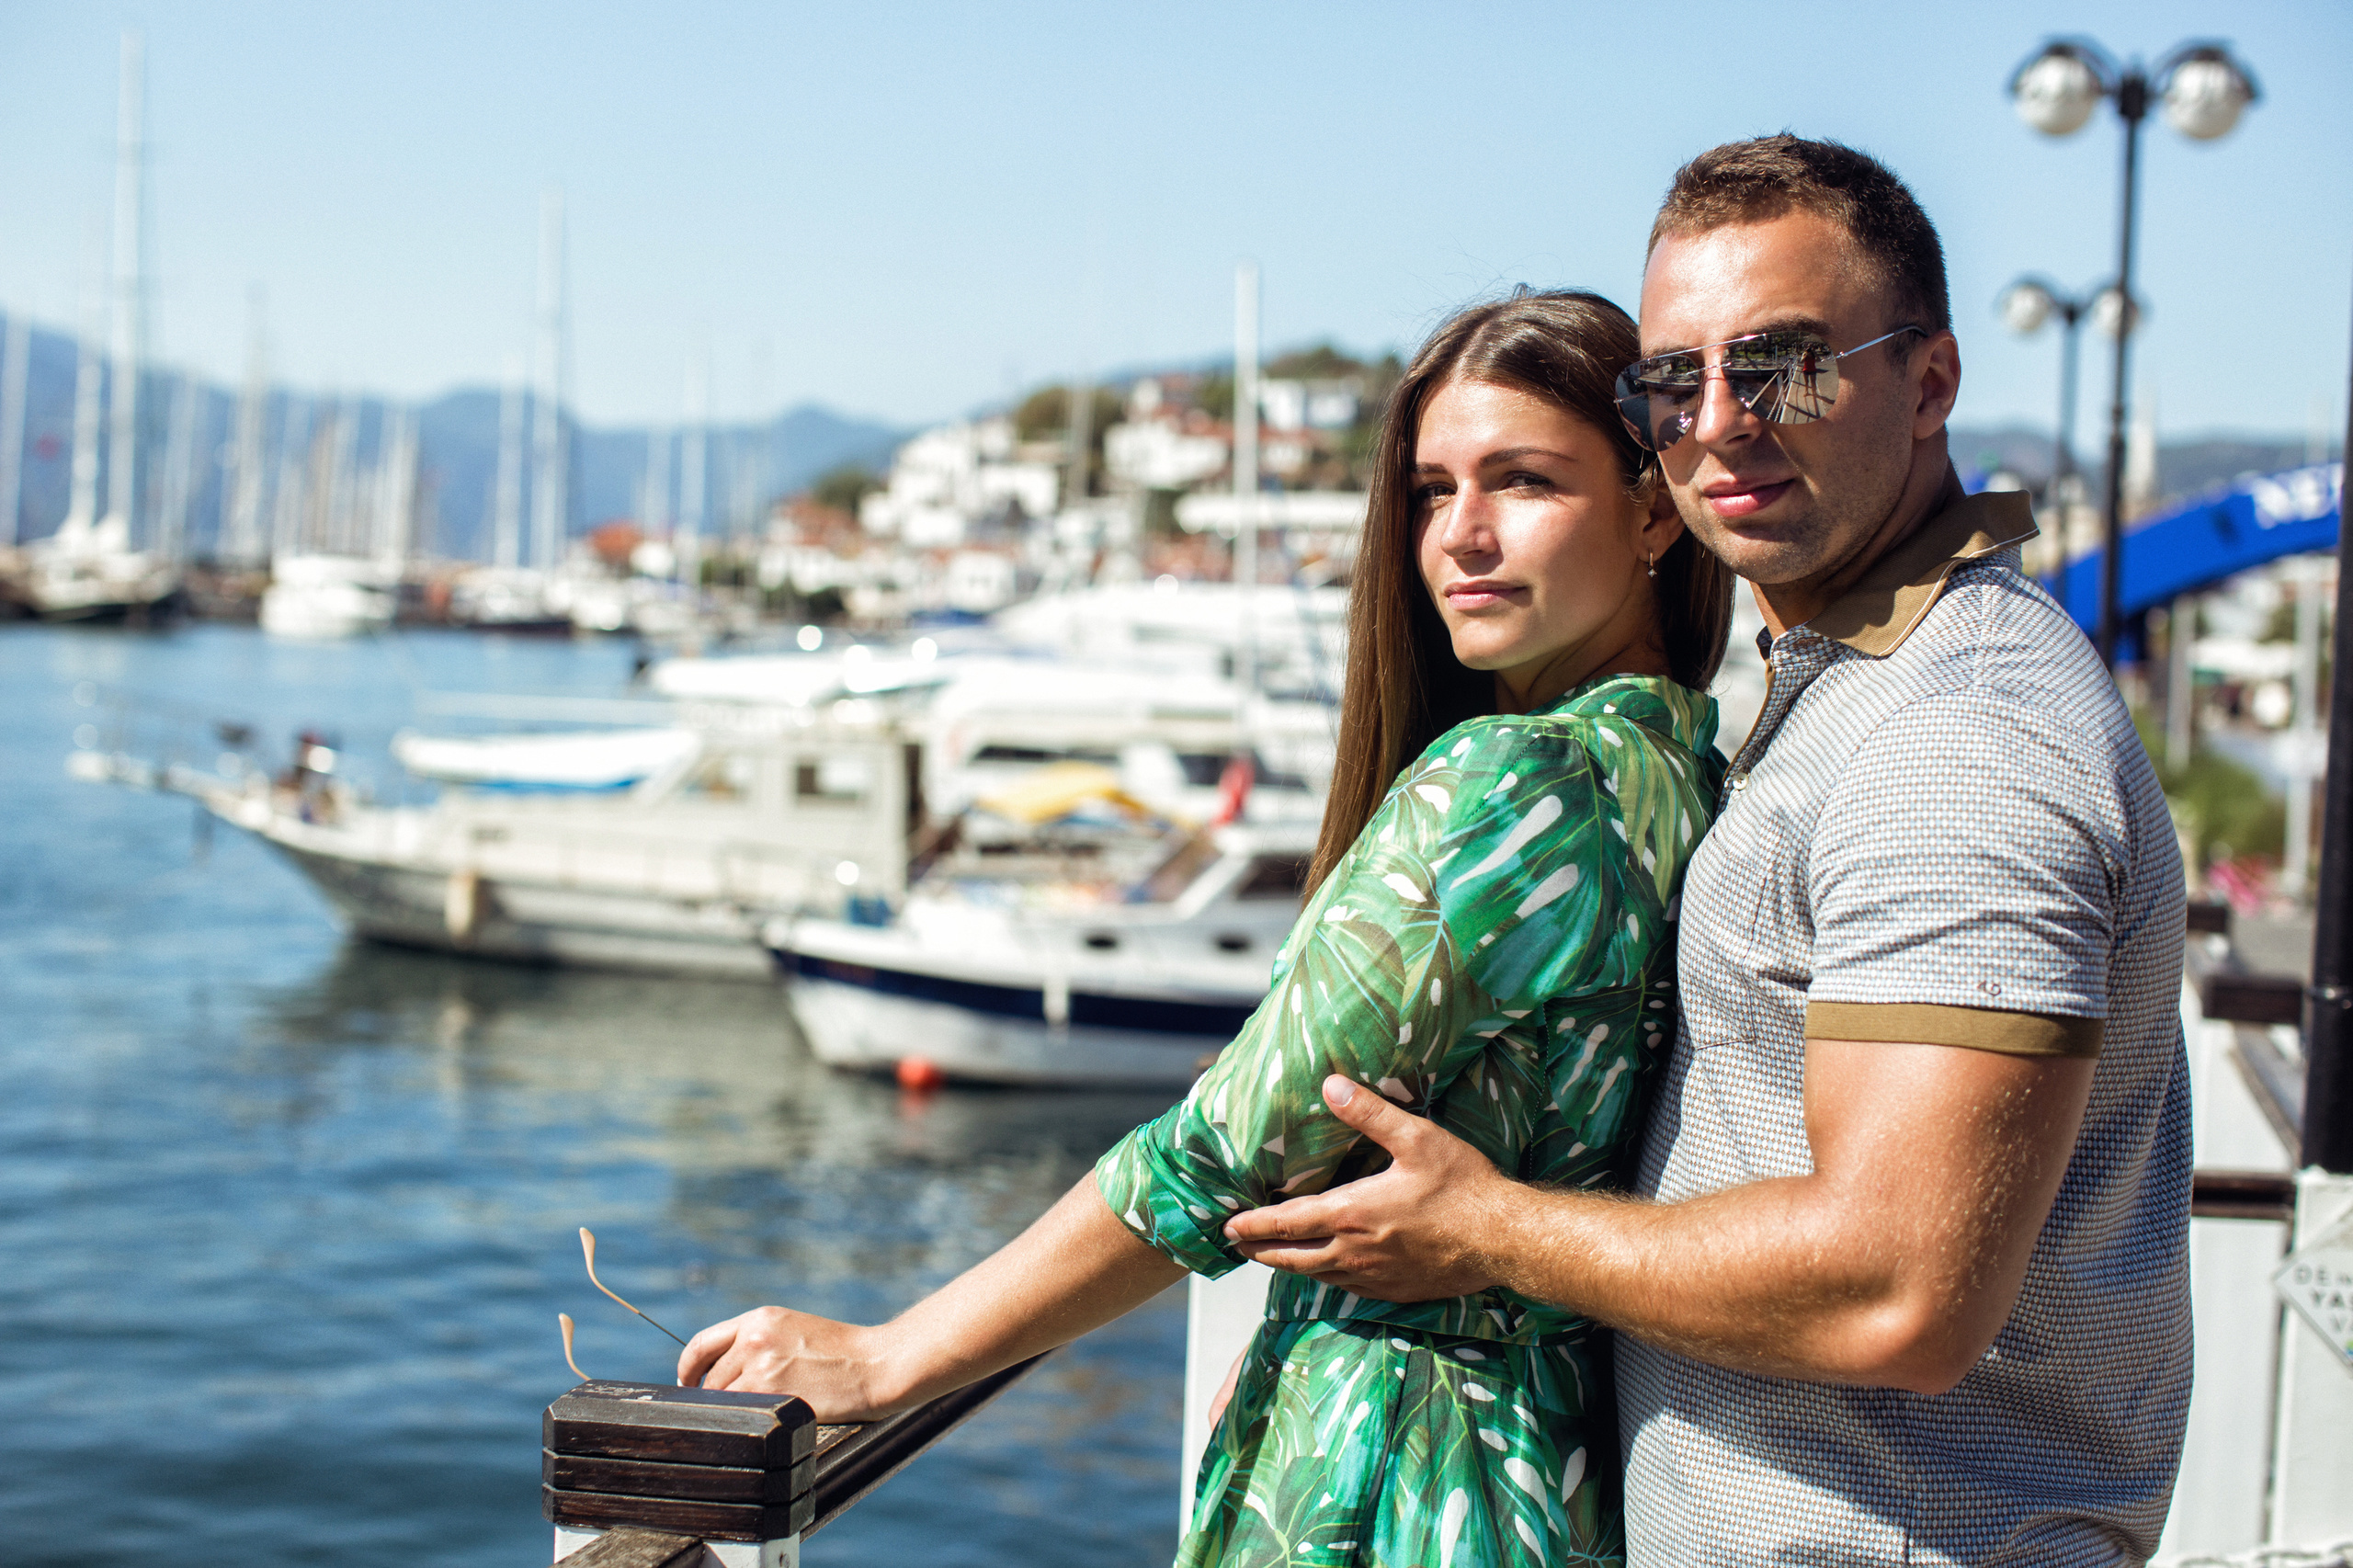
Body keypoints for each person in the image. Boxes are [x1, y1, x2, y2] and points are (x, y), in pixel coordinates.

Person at [1224, 136, 2192, 1566]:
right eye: (1671, 380)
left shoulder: (1956, 741)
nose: (1722, 421)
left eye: (1788, 366)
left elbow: (1897, 1288)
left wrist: (1489, 1227)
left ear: (1930, 381)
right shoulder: (1843, 692)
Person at [676, 290, 1733, 1566]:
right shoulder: (1680, 766)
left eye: (1524, 481)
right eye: (1428, 490)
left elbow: (1215, 1154)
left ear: (1653, 509)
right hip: (1556, 1461)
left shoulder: (1512, 784)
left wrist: (889, 1353)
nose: (1461, 533)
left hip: (1396, 1469)